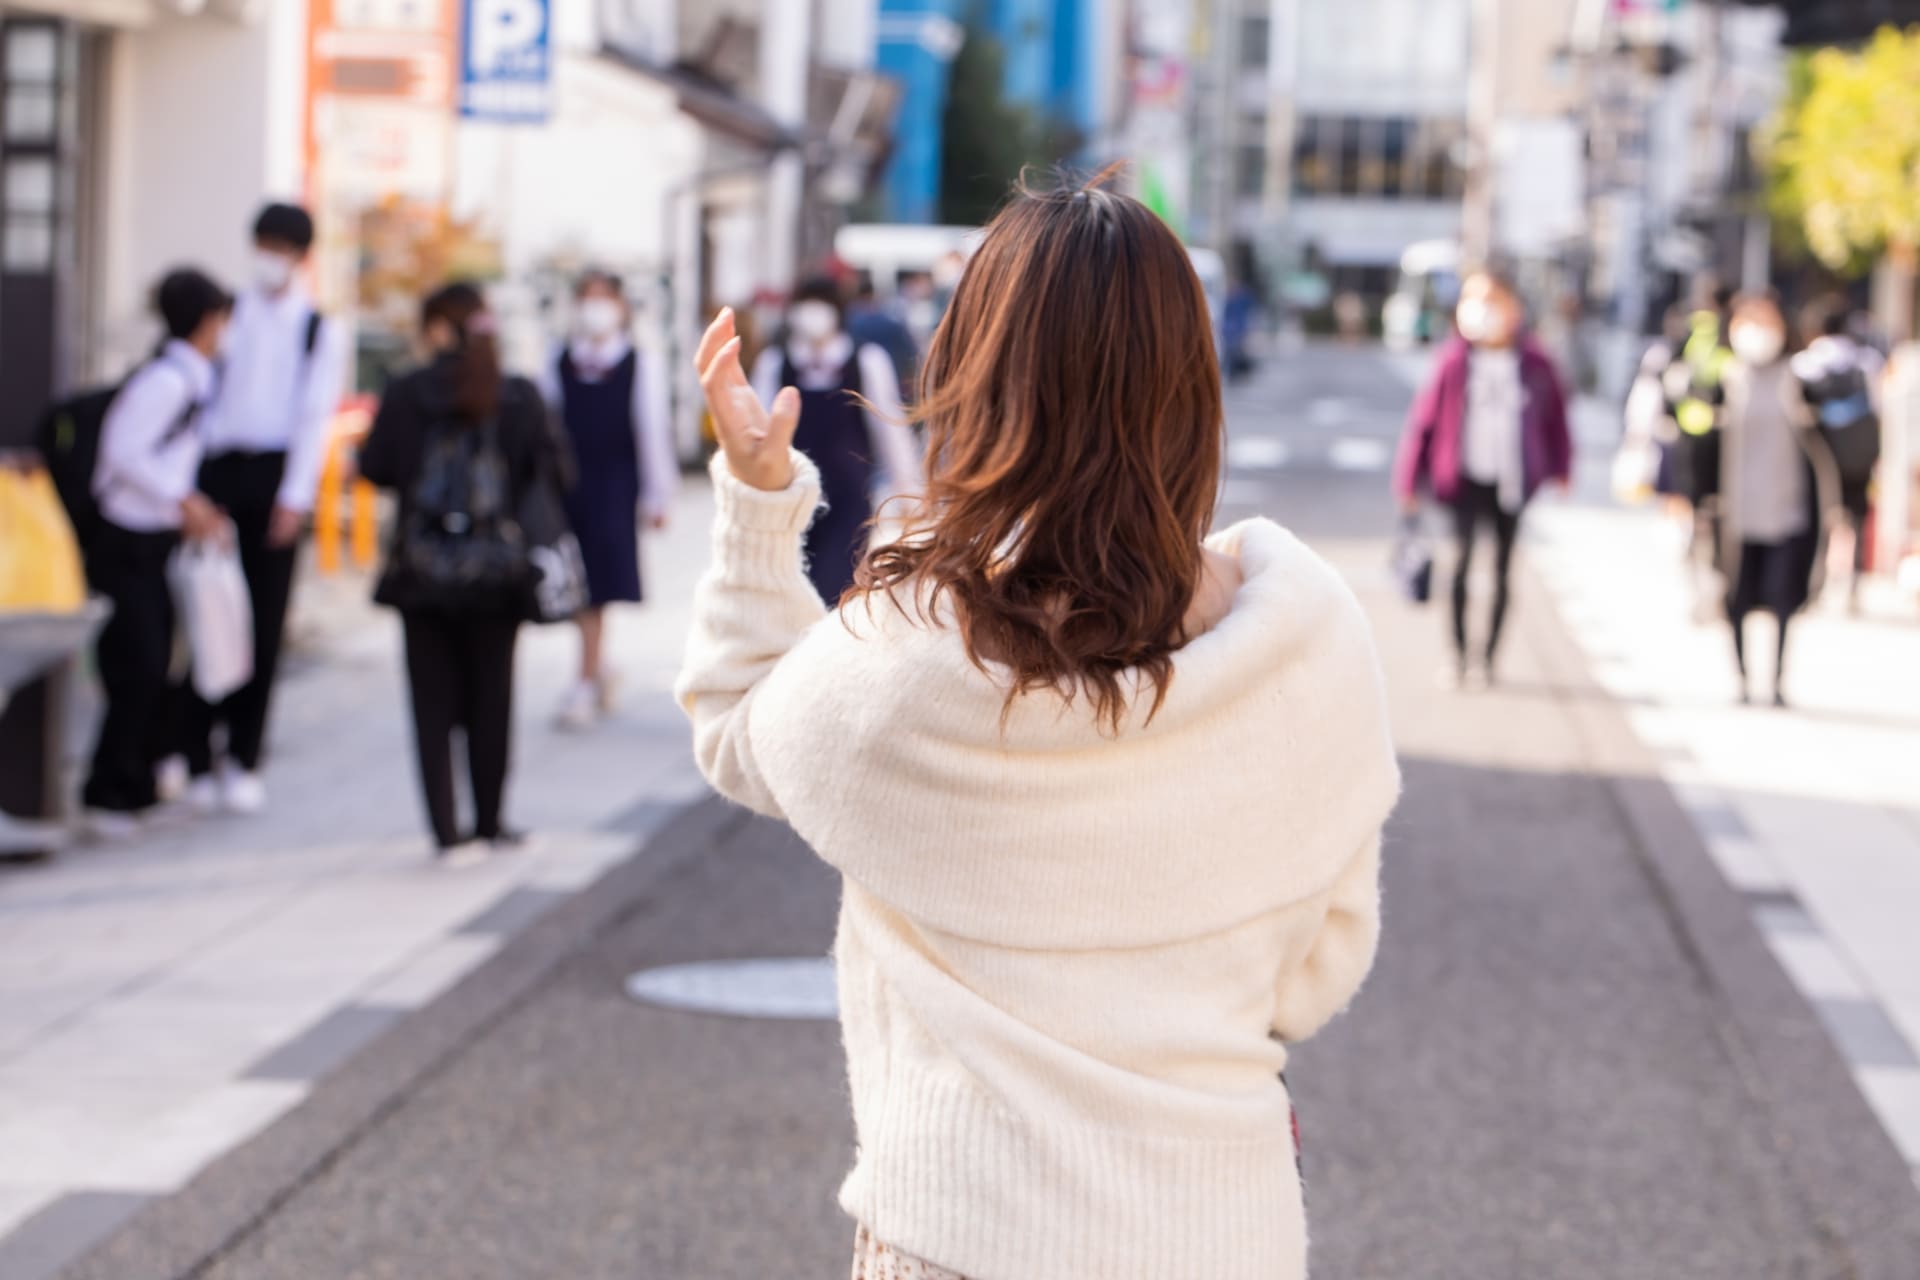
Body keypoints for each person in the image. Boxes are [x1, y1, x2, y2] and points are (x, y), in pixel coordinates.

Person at [680, 174, 1399, 1280]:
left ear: (977, 375)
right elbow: (1320, 969)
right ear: (1190, 388)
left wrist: (760, 491)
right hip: (1222, 1231)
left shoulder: (912, 653)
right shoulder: (1304, 645)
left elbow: (741, 726)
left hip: (964, 1230)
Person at [358, 283, 568, 863]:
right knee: (491, 697)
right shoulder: (517, 395)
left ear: (436, 328)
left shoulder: (406, 393)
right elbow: (553, 474)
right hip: (498, 573)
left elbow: (375, 466)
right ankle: (492, 821)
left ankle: (447, 832)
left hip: (422, 572)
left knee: (431, 703)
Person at [173, 202, 348, 814]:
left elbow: (313, 418)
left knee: (263, 621)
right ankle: (193, 751)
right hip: (217, 471)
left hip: (275, 476)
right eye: (263, 244)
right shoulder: (229, 314)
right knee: (204, 606)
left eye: (280, 247)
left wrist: (295, 497)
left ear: (301, 257)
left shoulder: (317, 328)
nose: (268, 258)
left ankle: (245, 755)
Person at [82, 269, 233, 837]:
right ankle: (107, 791)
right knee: (137, 665)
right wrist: (181, 501)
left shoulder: (190, 378)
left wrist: (187, 506)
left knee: (158, 662)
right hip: (126, 539)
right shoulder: (167, 381)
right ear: (204, 320)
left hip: (154, 536)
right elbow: (122, 452)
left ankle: (139, 783)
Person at [1393, 268, 1573, 687]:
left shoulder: (1535, 361)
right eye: (1473, 299)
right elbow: (1424, 422)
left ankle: (1488, 658)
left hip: (1513, 480)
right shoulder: (1453, 360)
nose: (1482, 310)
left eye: (1492, 300)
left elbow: (1556, 420)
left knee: (1504, 570)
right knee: (1460, 563)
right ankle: (1458, 655)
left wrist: (1562, 468)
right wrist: (1409, 481)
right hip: (1462, 477)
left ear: (1514, 309)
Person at [539, 269, 676, 730]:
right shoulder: (559, 359)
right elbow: (544, 424)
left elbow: (652, 429)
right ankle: (598, 666)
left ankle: (585, 676)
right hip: (567, 484)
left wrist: (659, 496)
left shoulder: (640, 362)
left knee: (597, 584)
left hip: (615, 482)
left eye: (604, 298)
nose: (595, 307)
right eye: (587, 297)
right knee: (575, 580)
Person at [749, 276, 922, 603]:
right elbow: (757, 433)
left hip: (849, 494)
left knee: (839, 584)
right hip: (790, 497)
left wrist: (909, 494)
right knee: (790, 587)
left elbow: (890, 430)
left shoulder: (866, 360)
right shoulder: (775, 363)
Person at [1718, 293, 1841, 707]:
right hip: (1735, 509)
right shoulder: (1725, 379)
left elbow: (1824, 441)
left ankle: (1776, 680)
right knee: (1735, 597)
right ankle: (1741, 677)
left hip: (1787, 506)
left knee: (1783, 595)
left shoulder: (1798, 379)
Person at [1792, 294, 1883, 610]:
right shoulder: (1867, 361)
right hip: (1859, 454)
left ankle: (1817, 583)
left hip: (1820, 456)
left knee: (1821, 518)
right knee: (1857, 517)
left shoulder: (1804, 363)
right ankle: (1852, 587)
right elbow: (1879, 407)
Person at [845, 269, 920, 393]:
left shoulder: (850, 321)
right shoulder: (891, 320)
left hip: (859, 382)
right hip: (892, 376)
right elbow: (909, 351)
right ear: (874, 295)